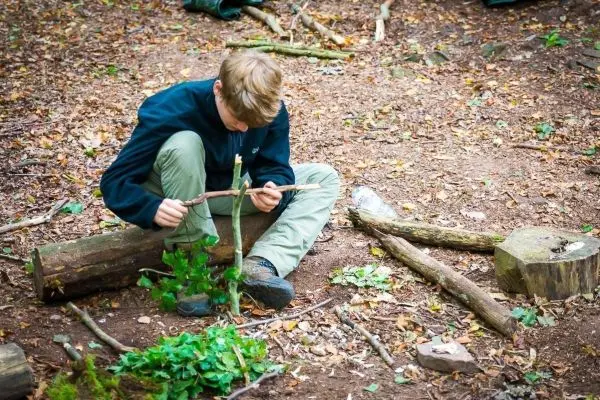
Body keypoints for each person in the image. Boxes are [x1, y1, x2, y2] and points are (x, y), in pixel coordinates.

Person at [99, 51, 339, 316]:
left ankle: (261, 265)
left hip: (227, 189)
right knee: (184, 144)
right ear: (218, 89)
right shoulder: (172, 108)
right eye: (238, 119)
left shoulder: (269, 110)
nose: (245, 129)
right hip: (172, 194)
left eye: (253, 124)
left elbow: (273, 164)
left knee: (322, 177)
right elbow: (115, 182)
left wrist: (272, 186)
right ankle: (193, 268)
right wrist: (149, 207)